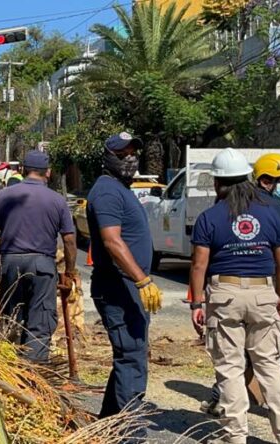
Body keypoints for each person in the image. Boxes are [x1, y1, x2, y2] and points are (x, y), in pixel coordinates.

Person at [189, 148, 280, 444]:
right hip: (263, 291)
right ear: (247, 179)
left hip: (224, 294)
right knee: (270, 367)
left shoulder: (209, 217)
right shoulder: (270, 213)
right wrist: (279, 295)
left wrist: (197, 303)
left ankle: (235, 436)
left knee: (230, 369)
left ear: (217, 183)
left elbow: (199, 264)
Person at [87, 132, 162, 421]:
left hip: (127, 286)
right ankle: (129, 432)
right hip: (118, 286)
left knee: (128, 356)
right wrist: (141, 279)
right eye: (123, 155)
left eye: (133, 154)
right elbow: (112, 241)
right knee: (131, 357)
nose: (130, 160)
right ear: (108, 157)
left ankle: (108, 423)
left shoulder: (119, 188)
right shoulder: (107, 191)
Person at [0, 150, 78, 362]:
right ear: (48, 173)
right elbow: (69, 240)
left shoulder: (4, 195)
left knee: (12, 317)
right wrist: (70, 271)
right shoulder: (57, 200)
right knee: (40, 321)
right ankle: (34, 374)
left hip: (11, 263)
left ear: (23, 171)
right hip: (42, 265)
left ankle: (9, 369)